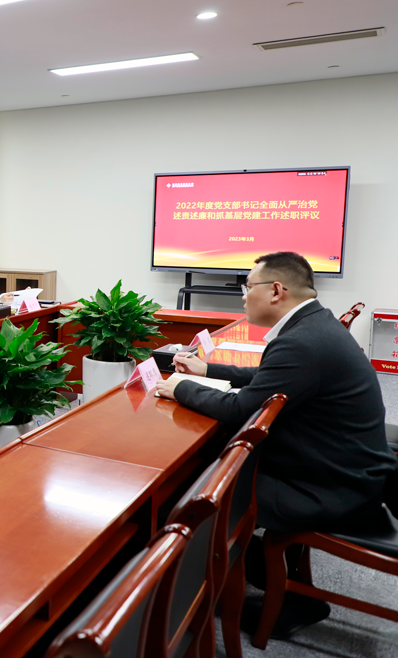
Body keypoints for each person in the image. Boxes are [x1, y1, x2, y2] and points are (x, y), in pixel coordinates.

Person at [156, 251, 396, 636]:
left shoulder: (303, 342)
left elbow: (240, 410)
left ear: (276, 291)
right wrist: (208, 369)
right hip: (348, 473)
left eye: (247, 287)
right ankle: (274, 583)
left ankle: (194, 599)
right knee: (213, 474)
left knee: (196, 494)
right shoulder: (313, 326)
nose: (243, 296)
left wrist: (181, 387)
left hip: (332, 490)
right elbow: (269, 378)